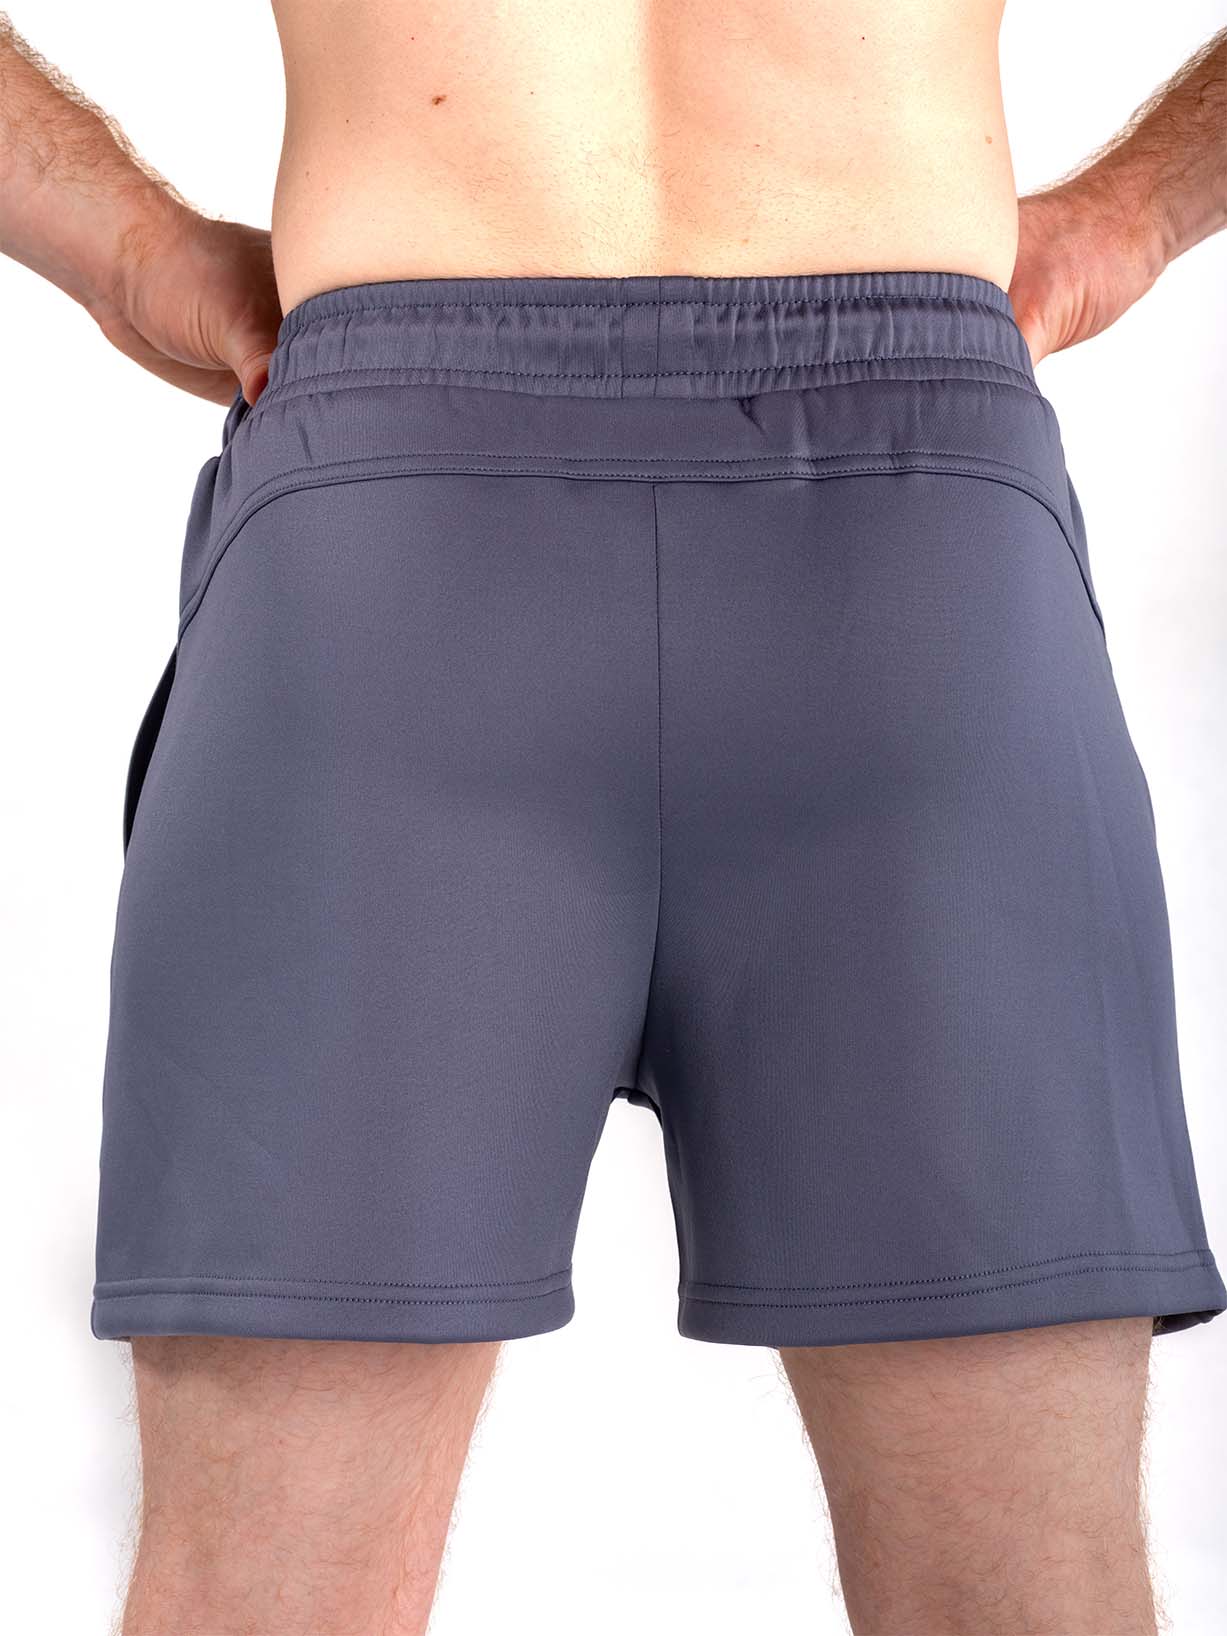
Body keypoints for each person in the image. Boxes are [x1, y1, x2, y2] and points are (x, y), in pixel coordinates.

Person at [3, 6, 1225, 1633]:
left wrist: (128, 246)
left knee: (265, 1606)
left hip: (394, 549)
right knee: (1023, 1605)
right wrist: (1137, 208)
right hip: (908, 549)